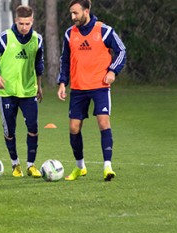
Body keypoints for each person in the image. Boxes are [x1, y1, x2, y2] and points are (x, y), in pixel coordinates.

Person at [57, 0, 126, 181]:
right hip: (78, 88)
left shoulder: (104, 30)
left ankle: (107, 167)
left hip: (100, 86)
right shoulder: (69, 33)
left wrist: (112, 71)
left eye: (76, 13)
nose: (72, 17)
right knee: (73, 128)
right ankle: (80, 167)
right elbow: (65, 60)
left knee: (103, 123)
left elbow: (121, 50)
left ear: (86, 11)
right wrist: (63, 82)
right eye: (71, 13)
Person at [0, 5, 44, 178]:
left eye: (27, 23)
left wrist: (39, 86)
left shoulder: (37, 39)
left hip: (28, 92)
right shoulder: (4, 38)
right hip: (7, 92)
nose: (24, 27)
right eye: (21, 24)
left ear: (32, 21)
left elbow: (38, 64)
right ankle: (15, 164)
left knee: (33, 127)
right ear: (15, 21)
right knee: (9, 131)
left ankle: (31, 165)